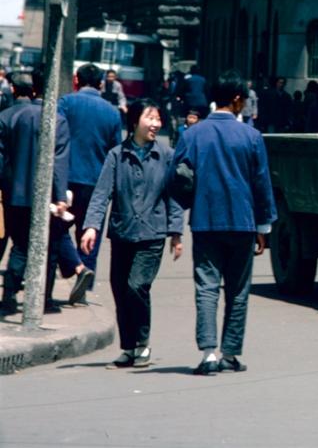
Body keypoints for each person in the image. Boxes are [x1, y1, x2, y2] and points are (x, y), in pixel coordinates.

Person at [169, 69, 277, 375]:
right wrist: (263, 226)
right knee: (238, 290)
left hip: (205, 222)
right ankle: (230, 353)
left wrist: (187, 208)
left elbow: (175, 179)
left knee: (206, 288)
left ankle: (208, 353)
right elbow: (261, 183)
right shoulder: (252, 136)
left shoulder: (192, 134)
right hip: (243, 224)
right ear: (237, 99)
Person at [81, 99, 183, 369]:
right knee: (119, 289)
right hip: (122, 232)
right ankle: (128, 348)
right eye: (150, 118)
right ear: (135, 121)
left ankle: (142, 343)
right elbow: (102, 193)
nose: (156, 124)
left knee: (136, 286)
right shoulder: (117, 155)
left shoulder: (167, 155)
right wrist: (91, 226)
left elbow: (173, 196)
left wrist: (175, 232)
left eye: (158, 118)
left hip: (152, 233)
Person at [0, 72, 70, 315]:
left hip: (14, 193)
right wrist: (61, 197)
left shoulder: (14, 116)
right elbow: (59, 162)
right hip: (45, 197)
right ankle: (43, 298)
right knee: (48, 247)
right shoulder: (57, 120)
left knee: (19, 243)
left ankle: (9, 292)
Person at [57, 63, 122, 304]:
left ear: (77, 80)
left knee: (57, 230)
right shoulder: (112, 112)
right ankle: (83, 288)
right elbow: (115, 150)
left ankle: (71, 268)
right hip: (97, 183)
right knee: (90, 234)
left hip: (66, 179)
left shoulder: (66, 103)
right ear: (101, 84)